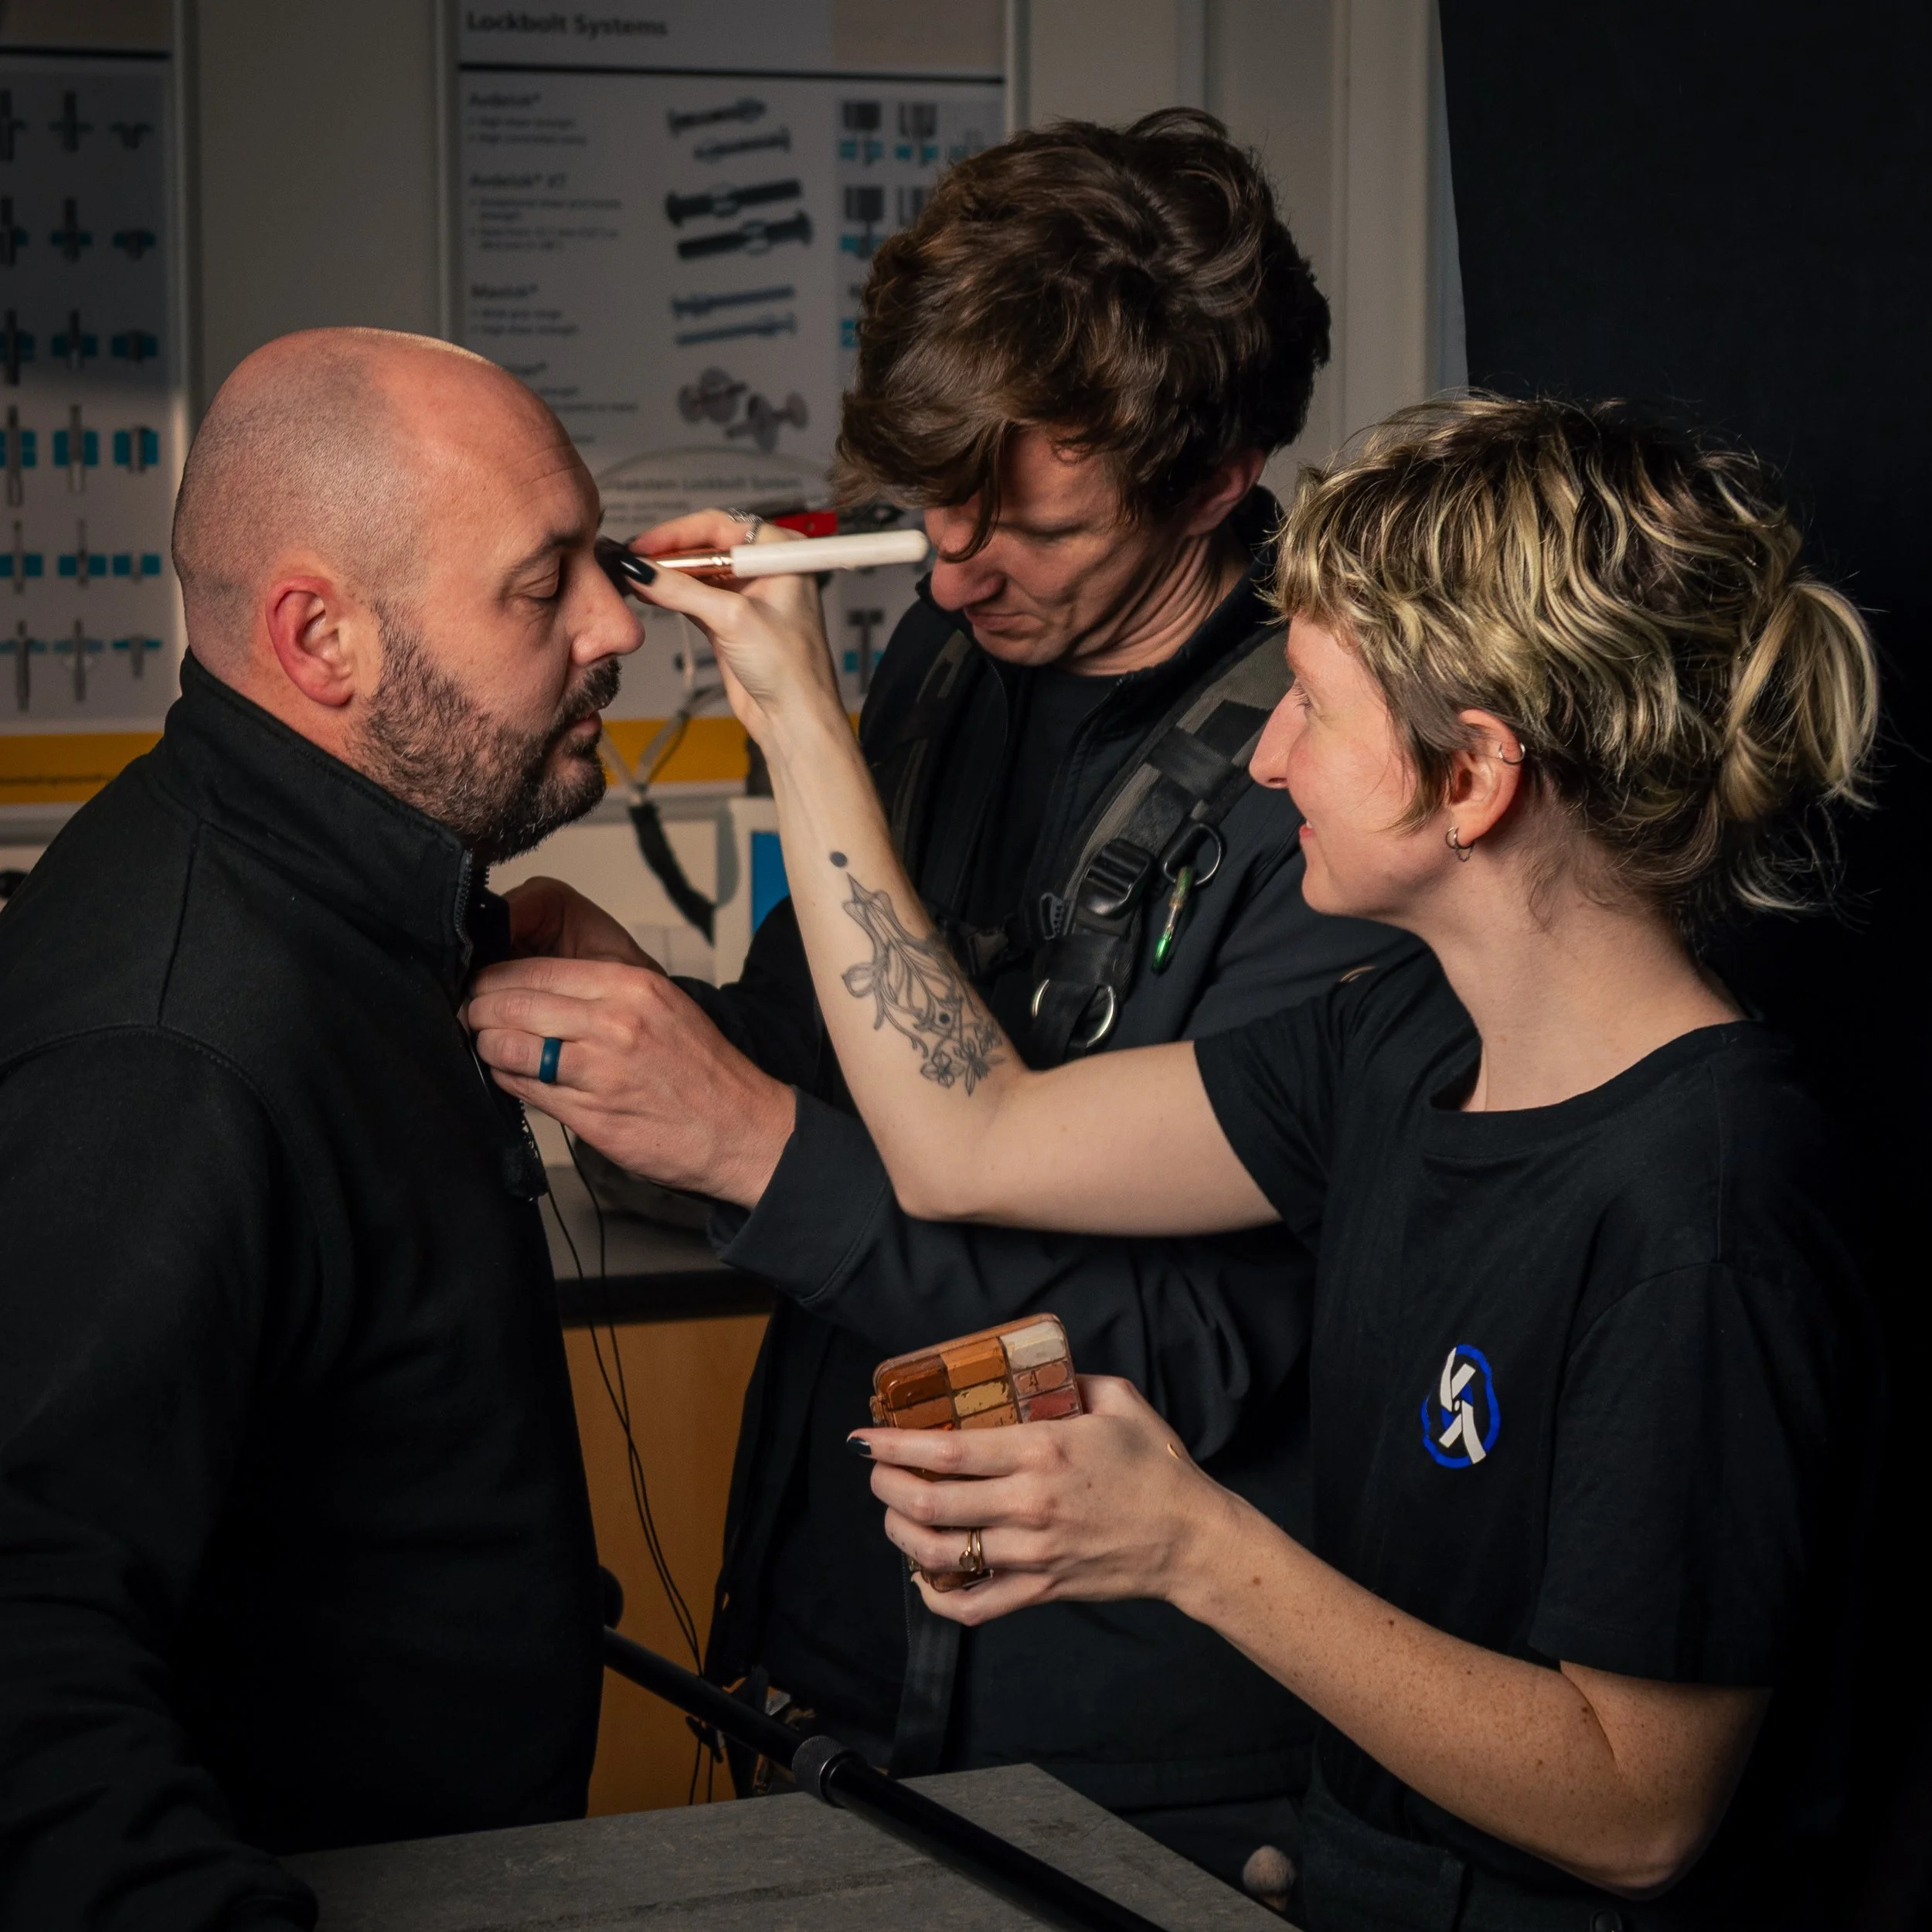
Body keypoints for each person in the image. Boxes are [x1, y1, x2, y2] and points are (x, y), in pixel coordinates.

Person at [474, 396, 1879, 1928]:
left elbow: (1632, 1808)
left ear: (1468, 778)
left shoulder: (1704, 1206)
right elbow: (969, 1135)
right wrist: (797, 715)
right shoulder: (1403, 1035)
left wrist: (1191, 1543)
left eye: (1313, 709)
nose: (1267, 758)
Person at [472, 110, 1405, 1879]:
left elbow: (1203, 1349)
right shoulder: (940, 652)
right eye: (931, 505)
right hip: (836, 1652)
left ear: (1212, 480)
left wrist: (753, 1145)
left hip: (1128, 1738)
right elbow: (816, 1060)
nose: (959, 564)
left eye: (1033, 524)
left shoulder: (1332, 779)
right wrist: (659, 1035)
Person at [0, 328, 641, 1929]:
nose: (615, 625)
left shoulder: (354, 919)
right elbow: (22, 1649)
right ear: (320, 637)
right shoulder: (175, 1042)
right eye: (539, 581)